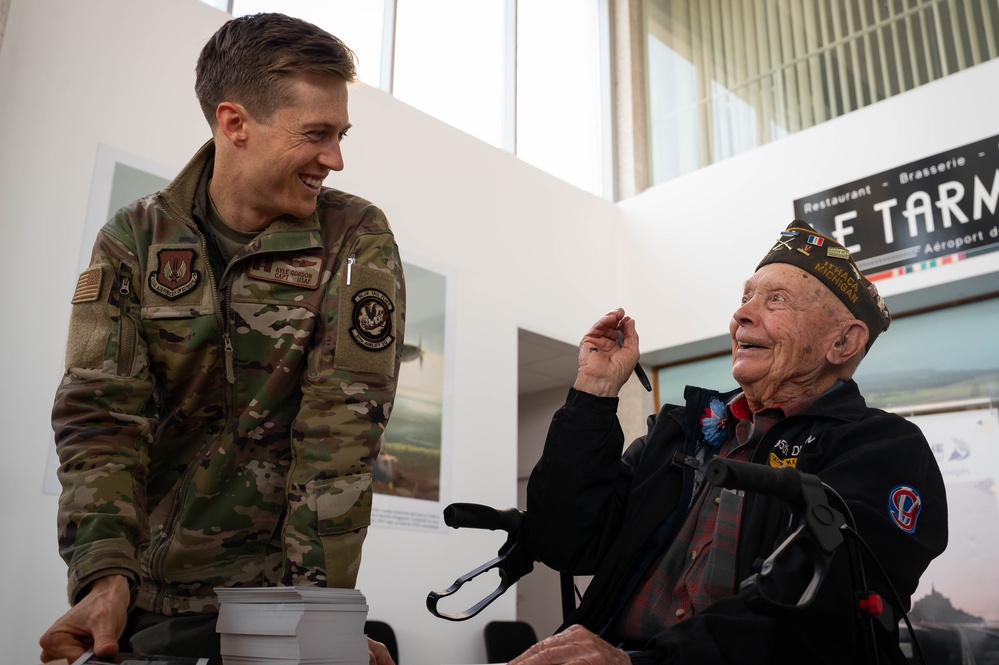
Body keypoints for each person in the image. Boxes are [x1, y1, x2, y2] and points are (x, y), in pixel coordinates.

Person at [39, 13, 404, 665]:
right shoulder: (135, 238)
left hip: (277, 605)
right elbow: (101, 420)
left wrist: (317, 617)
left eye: (340, 135)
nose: (336, 158)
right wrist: (104, 575)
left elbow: (339, 438)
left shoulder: (355, 236)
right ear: (235, 123)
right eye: (317, 134)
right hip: (148, 598)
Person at [512, 221, 947, 664]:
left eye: (776, 299)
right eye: (745, 297)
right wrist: (594, 393)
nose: (741, 314)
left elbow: (819, 605)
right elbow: (564, 542)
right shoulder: (682, 431)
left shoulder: (883, 448)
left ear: (843, 341)